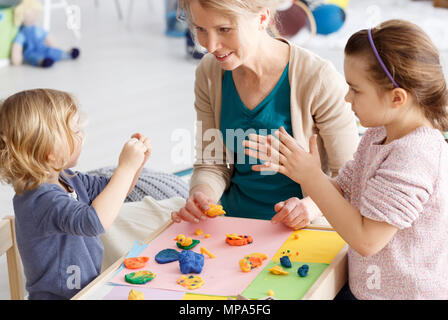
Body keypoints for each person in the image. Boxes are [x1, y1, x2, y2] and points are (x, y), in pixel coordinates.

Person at [244, 19, 448, 299]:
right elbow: (345, 188)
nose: (347, 98)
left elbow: (367, 240)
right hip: (364, 288)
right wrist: (302, 170)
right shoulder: (379, 133)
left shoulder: (415, 156)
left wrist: (312, 178)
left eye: (356, 89)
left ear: (397, 98)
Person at [171, 0, 359, 229]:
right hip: (231, 225)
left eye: (224, 30)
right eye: (200, 29)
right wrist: (202, 197)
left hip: (304, 230)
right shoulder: (209, 73)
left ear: (262, 18)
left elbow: (350, 180)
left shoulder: (319, 78)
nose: (209, 46)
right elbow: (212, 163)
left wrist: (309, 208)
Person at [0, 89, 151, 299]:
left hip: (88, 291)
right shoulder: (40, 199)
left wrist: (135, 167)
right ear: (49, 151)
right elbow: (94, 221)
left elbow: (114, 191)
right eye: (75, 130)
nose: (82, 135)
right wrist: (125, 168)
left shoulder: (68, 178)